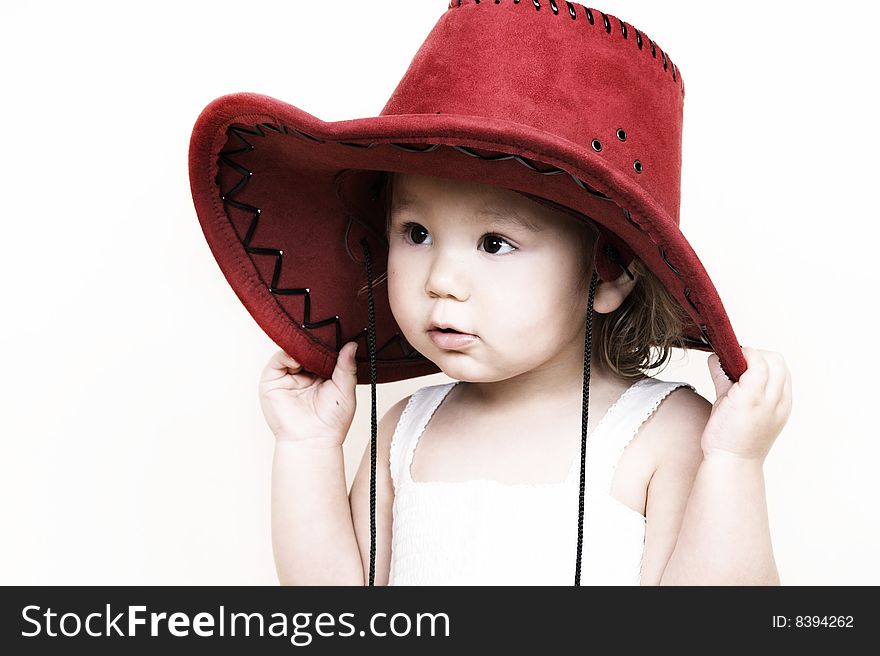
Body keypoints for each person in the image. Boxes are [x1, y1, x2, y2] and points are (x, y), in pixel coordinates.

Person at [189, 1, 792, 585]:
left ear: (609, 273)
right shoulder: (407, 430)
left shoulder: (662, 433)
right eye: (416, 233)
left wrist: (736, 463)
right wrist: (308, 447)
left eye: (495, 243)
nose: (440, 281)